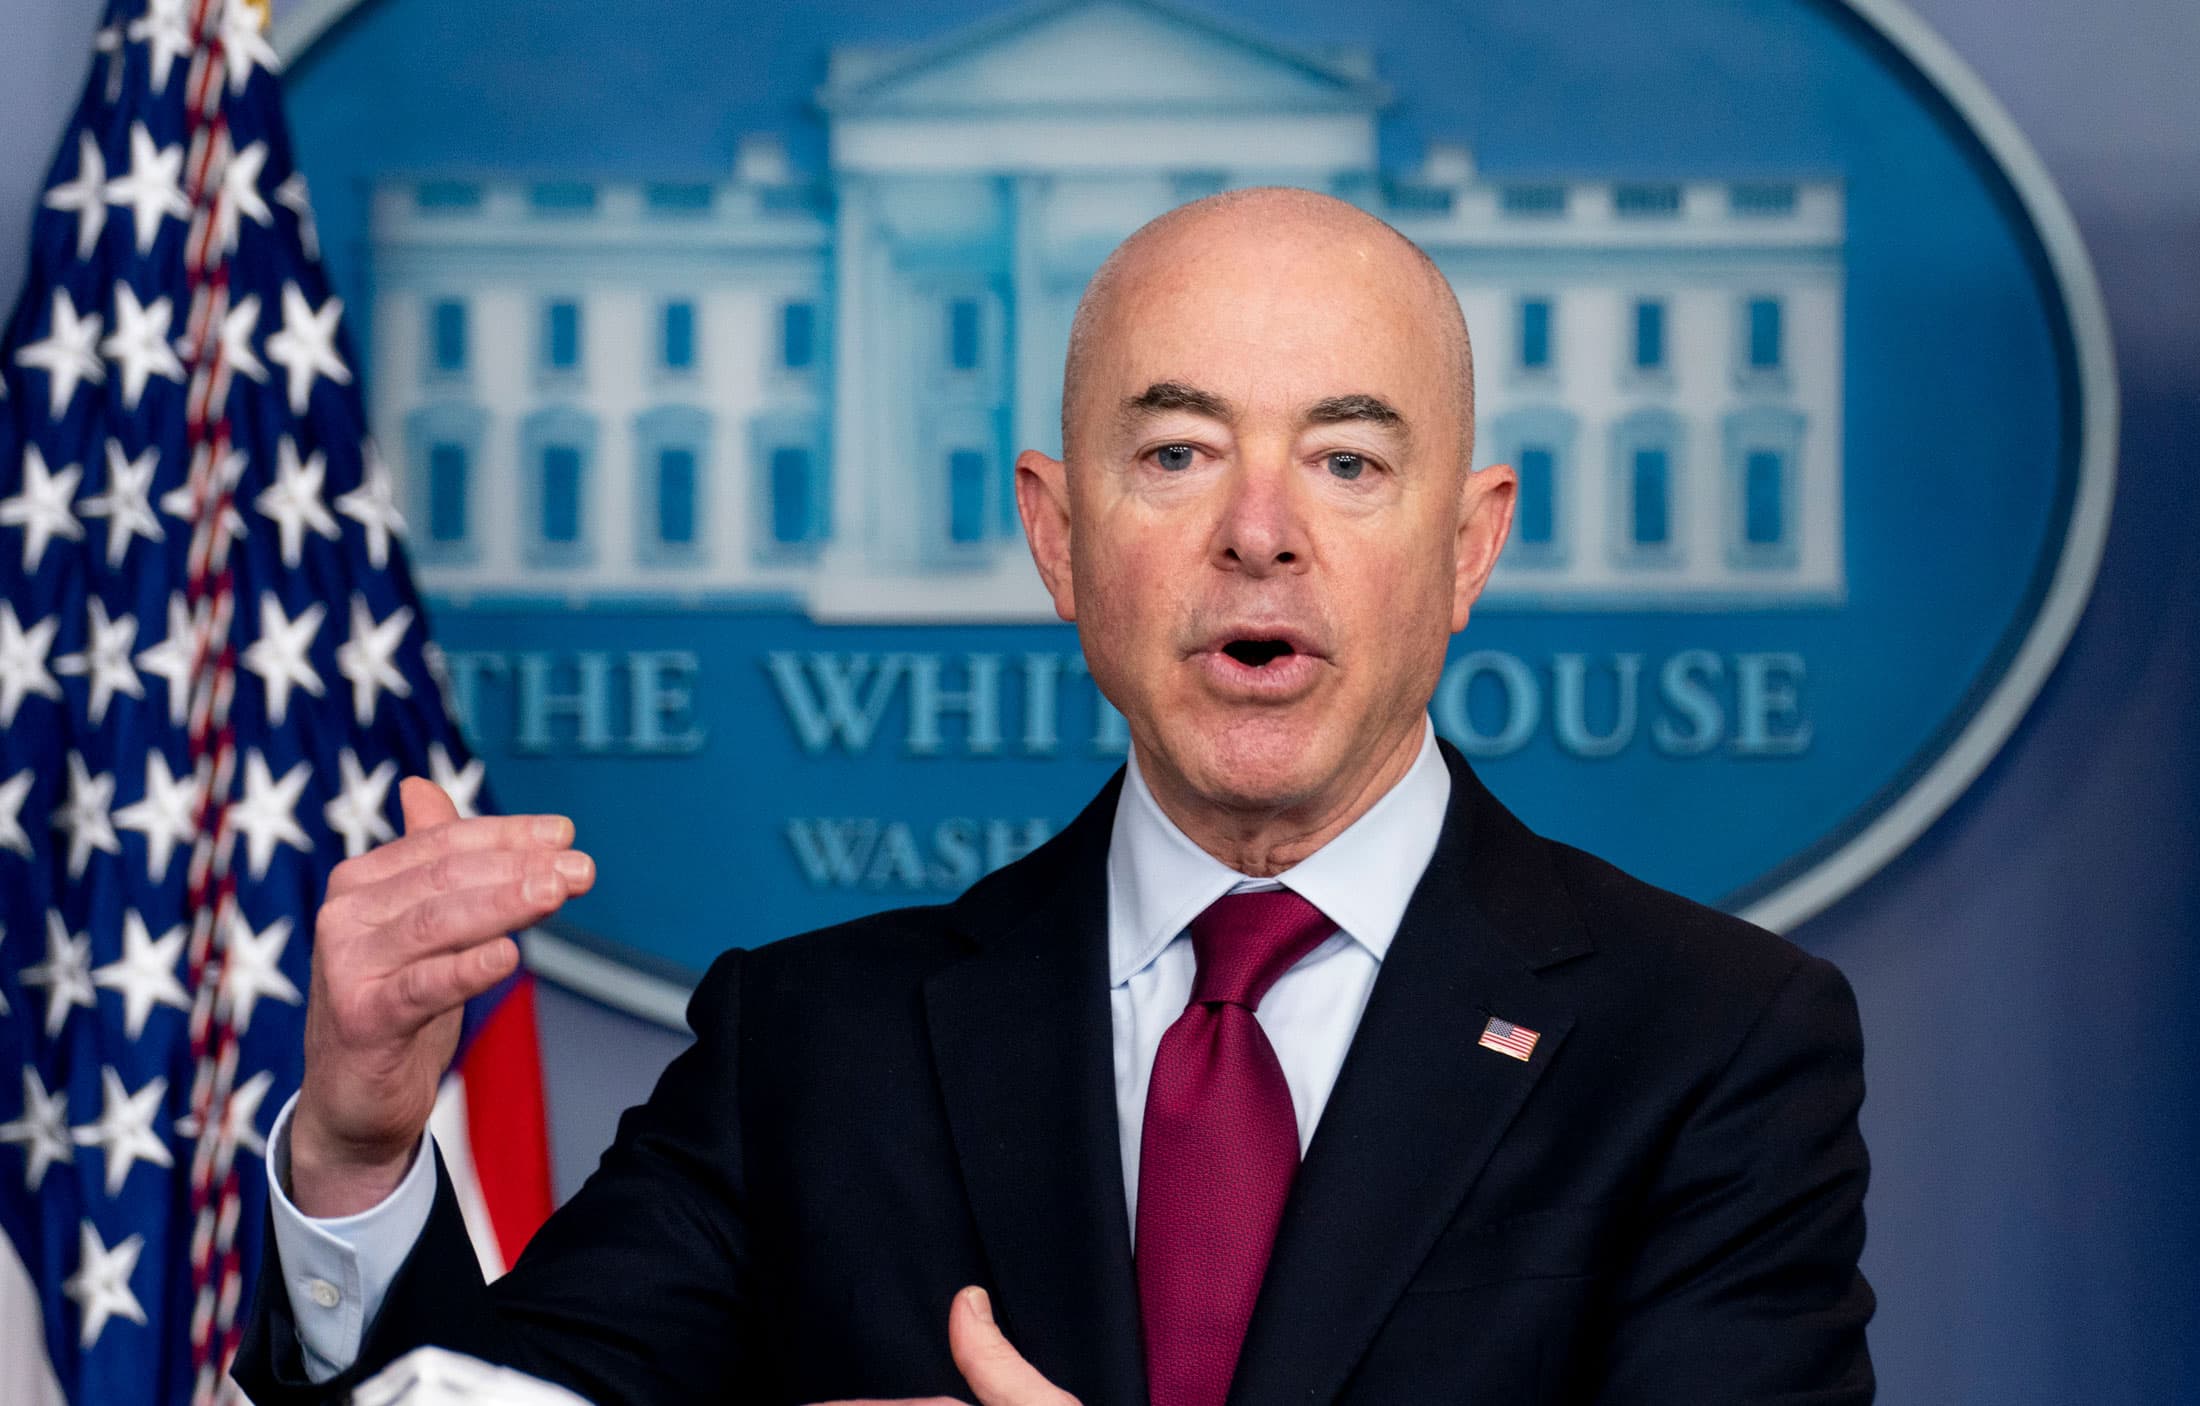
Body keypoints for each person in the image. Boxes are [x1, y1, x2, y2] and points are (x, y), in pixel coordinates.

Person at [236, 188, 1876, 1406]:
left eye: (1349, 461)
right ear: (1059, 536)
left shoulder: (1709, 1045)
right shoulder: (812, 1046)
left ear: (1468, 546)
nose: (1260, 529)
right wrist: (363, 1160)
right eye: (1175, 452)